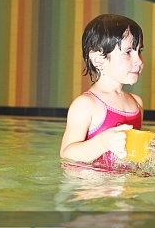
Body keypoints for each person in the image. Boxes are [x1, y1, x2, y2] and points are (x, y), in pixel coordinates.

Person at [60, 14, 144, 170]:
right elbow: (66, 154)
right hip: (93, 184)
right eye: (128, 52)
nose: (139, 61)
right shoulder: (86, 105)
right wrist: (103, 142)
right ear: (98, 59)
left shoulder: (136, 103)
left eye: (139, 51)